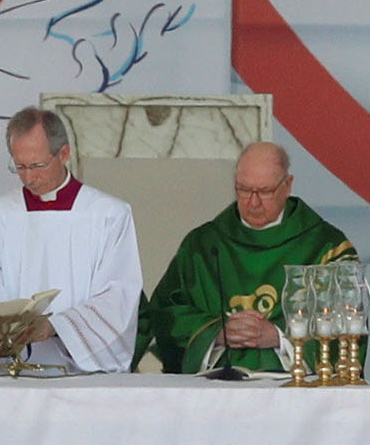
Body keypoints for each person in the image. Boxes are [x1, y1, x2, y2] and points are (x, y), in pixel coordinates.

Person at [0, 107, 141, 373]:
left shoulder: (108, 214)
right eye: (20, 166)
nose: (29, 178)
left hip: (83, 376)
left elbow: (118, 297)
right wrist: (5, 332)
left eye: (37, 166)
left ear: (64, 153)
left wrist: (56, 326)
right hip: (11, 375)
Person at [141, 141, 357, 373]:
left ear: (288, 185)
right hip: (214, 394)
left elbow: (348, 315)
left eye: (264, 191)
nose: (253, 202)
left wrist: (279, 336)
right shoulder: (203, 245)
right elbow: (166, 313)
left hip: (297, 395)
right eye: (243, 190)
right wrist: (216, 333)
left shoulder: (325, 246)